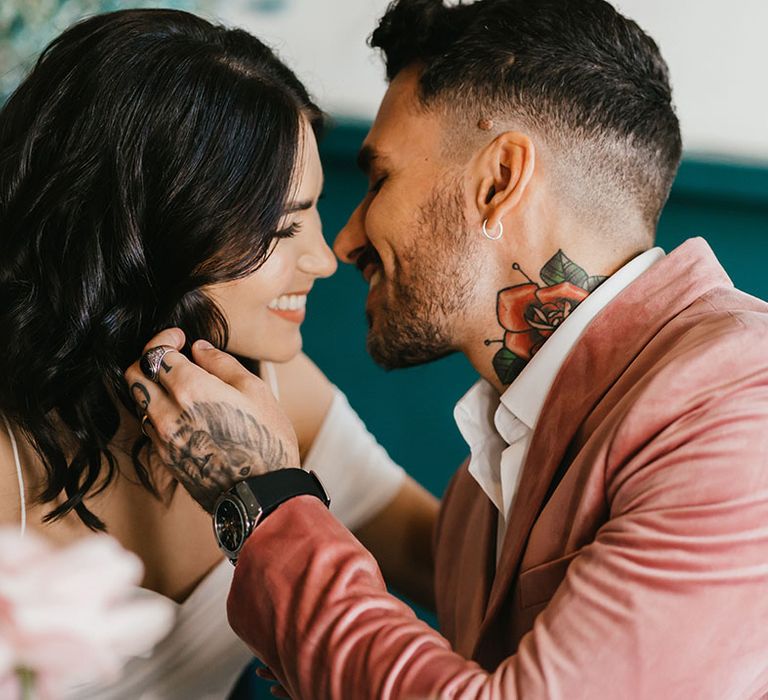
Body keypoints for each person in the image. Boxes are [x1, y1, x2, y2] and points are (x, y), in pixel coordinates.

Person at [126, 0, 768, 698]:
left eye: (379, 181)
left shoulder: (741, 408)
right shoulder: (480, 492)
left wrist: (268, 505)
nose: (344, 243)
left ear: (498, 182)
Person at [0, 9, 437, 699]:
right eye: (281, 227)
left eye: (317, 212)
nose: (324, 259)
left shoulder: (276, 393)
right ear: (150, 235)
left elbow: (440, 560)